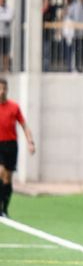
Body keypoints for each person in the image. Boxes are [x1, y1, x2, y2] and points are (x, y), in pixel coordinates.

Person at [0, 78, 35, 215]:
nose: (2, 91)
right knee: (1, 172)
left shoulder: (14, 107)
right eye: (0, 88)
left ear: (7, 90)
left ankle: (5, 207)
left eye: (4, 89)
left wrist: (30, 142)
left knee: (8, 178)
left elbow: (24, 125)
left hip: (11, 145)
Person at [0, 0, 13, 72]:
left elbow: (9, 17)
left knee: (6, 52)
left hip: (6, 34)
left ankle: (5, 68)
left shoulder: (8, 9)